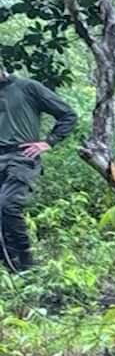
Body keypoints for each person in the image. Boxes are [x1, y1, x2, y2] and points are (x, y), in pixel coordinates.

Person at [0, 66, 77, 273]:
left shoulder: (27, 87)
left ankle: (26, 262)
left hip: (21, 156)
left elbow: (67, 115)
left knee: (7, 205)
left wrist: (49, 142)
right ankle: (8, 265)